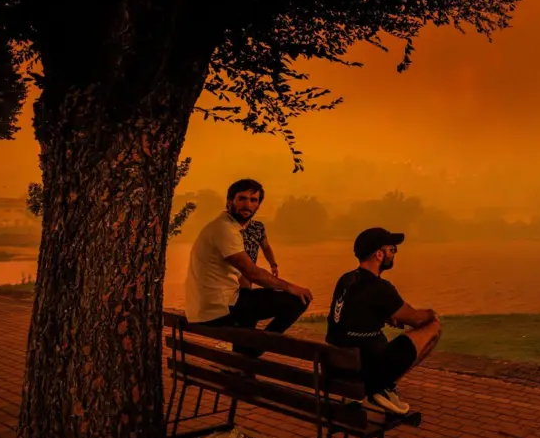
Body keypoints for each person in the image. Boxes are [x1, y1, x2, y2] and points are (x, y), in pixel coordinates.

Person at [184, 178, 314, 354]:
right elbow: (253, 273)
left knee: (248, 297)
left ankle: (244, 355)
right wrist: (292, 288)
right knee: (298, 300)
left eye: (253, 200)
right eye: (242, 198)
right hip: (217, 309)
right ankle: (254, 350)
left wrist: (271, 267)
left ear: (258, 205)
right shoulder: (225, 229)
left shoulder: (227, 227)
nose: (247, 204)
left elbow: (248, 267)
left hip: (207, 307)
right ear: (230, 201)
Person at [326, 227, 441, 415]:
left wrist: (384, 315)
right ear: (379, 254)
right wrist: (432, 314)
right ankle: (384, 387)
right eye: (392, 249)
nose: (394, 254)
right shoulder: (380, 288)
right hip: (367, 371)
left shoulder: (345, 280)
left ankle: (382, 387)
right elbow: (415, 318)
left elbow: (353, 312)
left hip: (340, 369)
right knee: (433, 328)